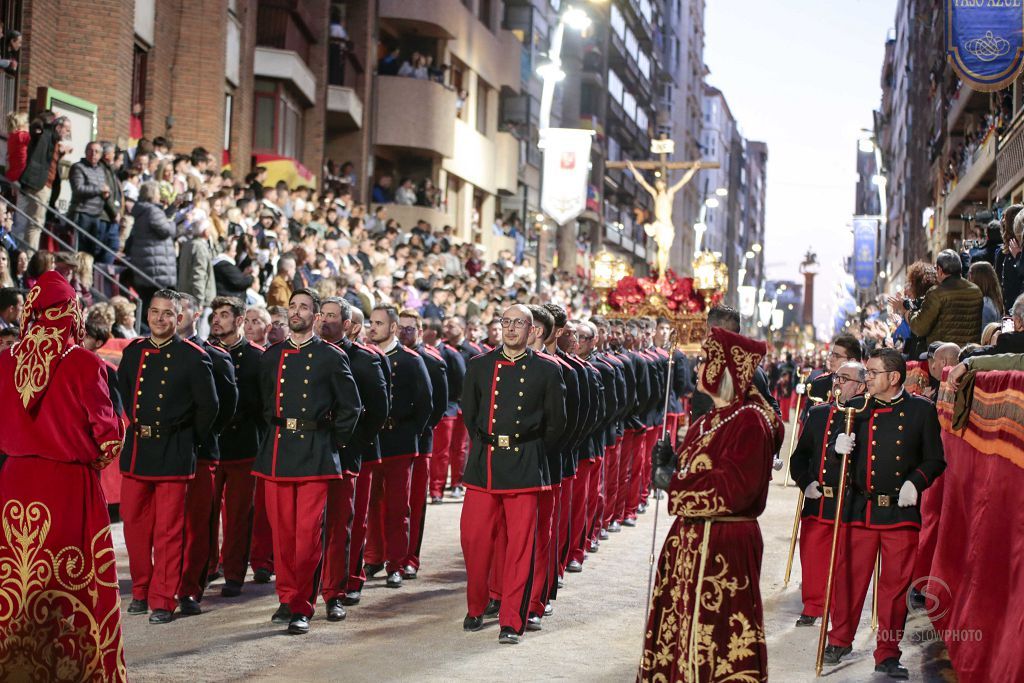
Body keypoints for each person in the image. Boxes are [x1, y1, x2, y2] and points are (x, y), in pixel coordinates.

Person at [0, 271, 127, 680]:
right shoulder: (85, 363)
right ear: (72, 313)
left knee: (16, 583)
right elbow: (108, 438)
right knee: (72, 582)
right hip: (69, 485)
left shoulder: (4, 360)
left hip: (15, 483)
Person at [640, 327, 783, 681]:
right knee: (681, 625)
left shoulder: (749, 420)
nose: (698, 366)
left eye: (705, 360)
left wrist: (674, 482)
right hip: (690, 541)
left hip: (723, 545)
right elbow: (702, 470)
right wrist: (673, 464)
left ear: (725, 370)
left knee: (717, 632)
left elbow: (736, 488)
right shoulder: (706, 419)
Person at [825, 349, 946, 679]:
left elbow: (935, 460)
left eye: (873, 373)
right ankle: (839, 639)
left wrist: (915, 482)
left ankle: (888, 653)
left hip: (899, 514)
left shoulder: (921, 411)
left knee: (894, 591)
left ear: (893, 378)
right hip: (861, 510)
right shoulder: (855, 410)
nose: (866, 378)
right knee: (849, 579)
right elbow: (835, 466)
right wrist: (838, 451)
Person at [253, 288, 362, 634]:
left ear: (315, 317)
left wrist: (332, 441)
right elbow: (263, 405)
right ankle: (286, 599)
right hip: (278, 453)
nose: (296, 312)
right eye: (292, 306)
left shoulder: (330, 356)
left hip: (316, 453)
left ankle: (303, 605)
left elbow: (352, 407)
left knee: (307, 537)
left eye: (304, 307)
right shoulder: (271, 356)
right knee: (282, 536)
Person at [460, 304, 566, 644]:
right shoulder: (479, 365)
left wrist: (529, 449)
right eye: (505, 322)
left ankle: (512, 620)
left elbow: (557, 423)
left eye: (518, 323)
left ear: (532, 330)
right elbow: (471, 414)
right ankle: (476, 606)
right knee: (474, 542)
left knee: (521, 548)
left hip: (525, 465)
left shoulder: (547, 370)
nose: (510, 329)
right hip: (485, 464)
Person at [117, 289, 219, 624]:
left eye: (167, 314)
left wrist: (190, 439)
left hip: (175, 451)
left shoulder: (193, 355)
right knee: (133, 526)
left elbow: (210, 407)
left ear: (179, 318)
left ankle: (163, 599)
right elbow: (124, 390)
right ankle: (142, 590)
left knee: (169, 532)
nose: (159, 319)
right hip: (139, 450)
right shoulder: (134, 352)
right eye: (154, 312)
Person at [318, 296, 389, 616]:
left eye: (331, 316)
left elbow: (377, 410)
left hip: (355, 451)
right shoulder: (311, 354)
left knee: (351, 522)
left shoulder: (366, 359)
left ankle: (350, 579)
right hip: (317, 451)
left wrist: (352, 442)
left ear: (347, 324)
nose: (323, 320)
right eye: (322, 315)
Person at [789, 360, 867, 627]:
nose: (837, 382)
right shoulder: (819, 413)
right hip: (819, 500)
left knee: (846, 563)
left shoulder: (868, 415)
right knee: (812, 555)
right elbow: (799, 458)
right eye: (837, 377)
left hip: (850, 504)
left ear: (861, 385)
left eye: (844, 379)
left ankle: (839, 609)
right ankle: (813, 605)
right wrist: (806, 482)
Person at [175, 294, 238, 616]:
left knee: (198, 526)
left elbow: (224, 406)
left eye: (180, 310)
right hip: (165, 453)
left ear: (194, 314)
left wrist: (199, 435)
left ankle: (189, 589)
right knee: (168, 525)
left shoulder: (214, 355)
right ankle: (164, 584)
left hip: (200, 450)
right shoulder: (148, 352)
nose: (172, 316)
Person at [361, 304, 432, 588]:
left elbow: (425, 404)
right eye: (371, 323)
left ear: (392, 328)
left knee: (396, 508)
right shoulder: (366, 356)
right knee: (370, 505)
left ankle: (397, 563)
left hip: (399, 442)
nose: (372, 328)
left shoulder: (412, 360)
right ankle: (374, 557)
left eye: (378, 323)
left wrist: (409, 434)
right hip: (371, 439)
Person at [207, 296, 266, 598]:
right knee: (205, 512)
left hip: (245, 446)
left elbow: (265, 405)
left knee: (240, 515)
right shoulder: (203, 352)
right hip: (211, 445)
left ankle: (233, 573)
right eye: (215, 314)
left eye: (224, 315)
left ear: (239, 320)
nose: (217, 319)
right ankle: (206, 568)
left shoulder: (258, 356)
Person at [397, 308, 447, 578]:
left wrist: (420, 429)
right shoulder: (387, 356)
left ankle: (409, 558)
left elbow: (437, 405)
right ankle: (384, 554)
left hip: (419, 440)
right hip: (392, 442)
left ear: (420, 330)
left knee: (414, 503)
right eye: (400, 327)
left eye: (410, 328)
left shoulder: (431, 361)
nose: (404, 332)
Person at [893, 248, 983, 347]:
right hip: (970, 354)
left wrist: (906, 312)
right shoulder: (976, 290)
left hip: (944, 355)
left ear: (940, 270)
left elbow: (920, 327)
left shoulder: (936, 293)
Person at [125, 181, 177, 318]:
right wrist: (172, 223)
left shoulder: (143, 209)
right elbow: (166, 230)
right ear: (153, 194)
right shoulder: (152, 210)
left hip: (146, 265)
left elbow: (160, 219)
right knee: (156, 305)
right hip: (156, 267)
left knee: (149, 302)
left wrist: (172, 208)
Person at [798, 333, 862, 422]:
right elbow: (807, 421)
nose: (831, 359)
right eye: (832, 354)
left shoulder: (862, 387)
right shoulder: (818, 383)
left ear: (852, 361)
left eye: (837, 356)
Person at [968, 260, 1003, 328]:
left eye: (970, 277)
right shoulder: (992, 301)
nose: (968, 281)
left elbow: (982, 334)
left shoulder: (984, 305)